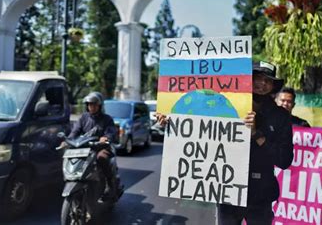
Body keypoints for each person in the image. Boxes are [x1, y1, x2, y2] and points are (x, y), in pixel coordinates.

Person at [156, 61, 294, 225]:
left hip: (261, 196)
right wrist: (172, 121)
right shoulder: (222, 106)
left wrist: (257, 135)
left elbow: (284, 160)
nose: (262, 84)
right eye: (258, 78)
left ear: (273, 86)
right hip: (227, 192)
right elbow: (196, 127)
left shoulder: (281, 117)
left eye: (268, 80)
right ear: (247, 80)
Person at [67, 91, 122, 201]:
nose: (91, 107)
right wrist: (68, 140)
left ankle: (109, 185)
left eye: (94, 104)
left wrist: (106, 137)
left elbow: (111, 132)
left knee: (101, 158)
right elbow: (75, 131)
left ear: (99, 106)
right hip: (86, 147)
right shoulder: (83, 117)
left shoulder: (107, 119)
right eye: (89, 104)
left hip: (102, 148)